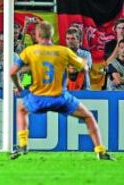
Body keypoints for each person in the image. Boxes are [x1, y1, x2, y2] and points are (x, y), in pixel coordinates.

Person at [10, 21, 113, 160]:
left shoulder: (30, 51)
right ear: (52, 35)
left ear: (38, 35)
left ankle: (23, 145)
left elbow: (12, 72)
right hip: (60, 98)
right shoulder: (64, 51)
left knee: (21, 109)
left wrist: (20, 86)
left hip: (37, 97)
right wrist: (72, 69)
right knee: (88, 117)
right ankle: (101, 151)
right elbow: (85, 68)